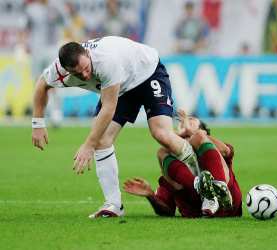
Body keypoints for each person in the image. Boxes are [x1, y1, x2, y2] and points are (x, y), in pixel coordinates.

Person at [31, 36, 198, 218]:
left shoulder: (105, 61)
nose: (85, 75)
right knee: (102, 140)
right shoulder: (58, 71)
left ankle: (202, 179)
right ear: (67, 70)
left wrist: (88, 145)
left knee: (161, 133)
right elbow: (41, 85)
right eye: (78, 74)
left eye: (86, 68)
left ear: (88, 54)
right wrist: (38, 123)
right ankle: (113, 205)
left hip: (147, 71)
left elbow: (109, 107)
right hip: (121, 87)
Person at [124, 112, 242, 217]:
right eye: (182, 123)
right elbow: (166, 210)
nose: (185, 123)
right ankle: (202, 190)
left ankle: (219, 189)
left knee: (197, 138)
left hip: (228, 204)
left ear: (204, 131)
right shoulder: (170, 168)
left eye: (191, 121)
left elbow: (226, 151)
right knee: (162, 152)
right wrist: (150, 195)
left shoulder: (213, 148)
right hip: (199, 211)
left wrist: (194, 134)